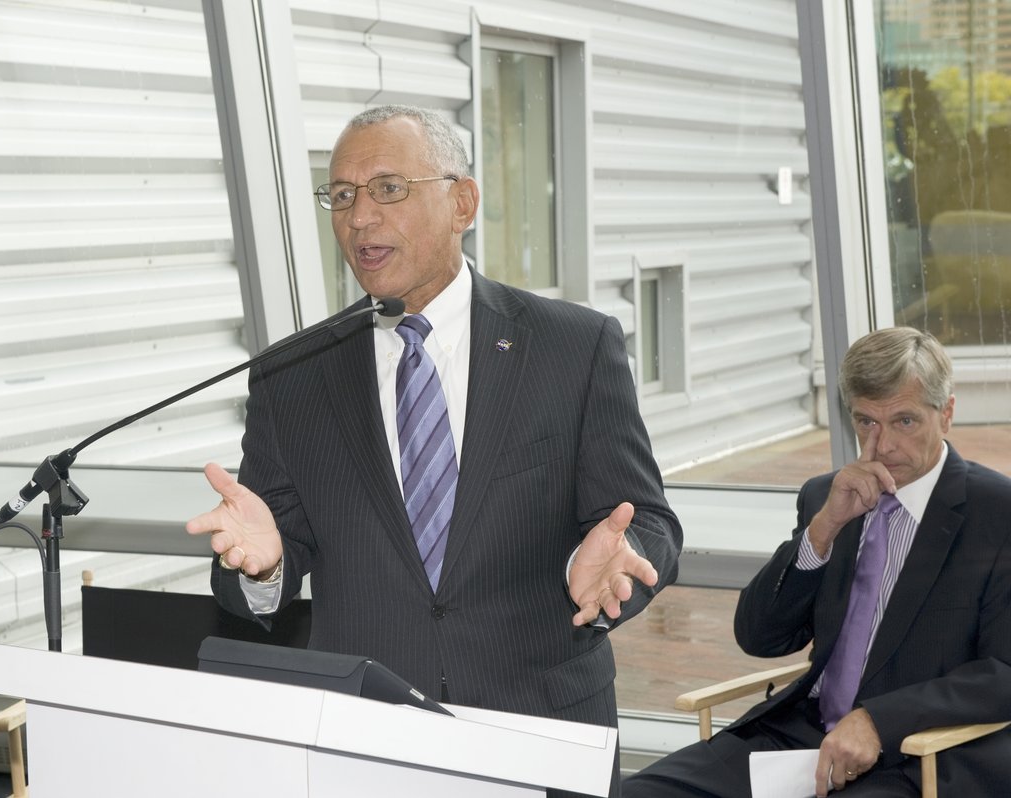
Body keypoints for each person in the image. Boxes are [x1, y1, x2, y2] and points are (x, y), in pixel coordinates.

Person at [185, 104, 682, 795]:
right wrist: (265, 567)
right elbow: (258, 568)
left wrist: (602, 565)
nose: (359, 218)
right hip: (366, 741)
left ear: (462, 202)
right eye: (343, 196)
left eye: (389, 188)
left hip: (540, 727)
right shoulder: (292, 374)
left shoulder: (572, 347)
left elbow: (648, 523)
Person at [623, 327, 1011, 798]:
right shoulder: (826, 497)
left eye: (904, 422)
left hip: (918, 756)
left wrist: (878, 721)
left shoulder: (997, 513)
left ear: (946, 414)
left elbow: (1003, 672)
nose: (882, 445)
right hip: (802, 736)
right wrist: (822, 530)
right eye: (866, 422)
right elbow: (760, 637)